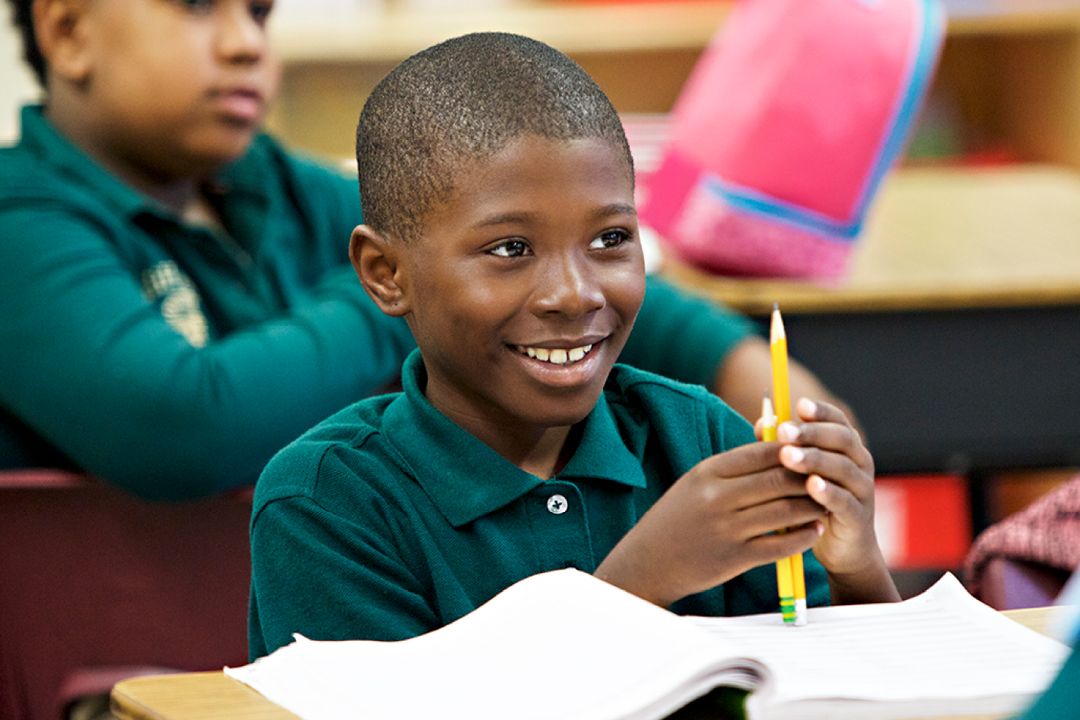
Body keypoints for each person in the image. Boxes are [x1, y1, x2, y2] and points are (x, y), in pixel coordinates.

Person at [0, 0, 854, 502]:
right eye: (196, 5)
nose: (245, 43)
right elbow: (179, 425)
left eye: (259, 10)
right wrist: (420, 292)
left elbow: (604, 293)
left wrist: (752, 372)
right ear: (69, 31)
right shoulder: (18, 221)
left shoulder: (275, 187)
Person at [248, 31, 899, 659]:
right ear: (387, 275)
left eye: (611, 239)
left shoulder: (697, 440)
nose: (575, 293)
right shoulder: (328, 503)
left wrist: (856, 563)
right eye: (510, 249)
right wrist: (641, 581)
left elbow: (867, 685)